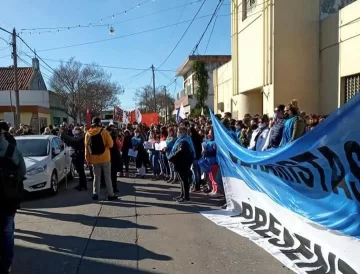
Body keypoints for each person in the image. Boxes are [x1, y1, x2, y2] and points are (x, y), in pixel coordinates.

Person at [0, 121, 26, 274]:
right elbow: (22, 172)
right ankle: (6, 266)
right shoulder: (12, 150)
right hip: (8, 199)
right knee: (7, 231)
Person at [85, 117, 117, 201]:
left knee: (96, 177)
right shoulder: (104, 131)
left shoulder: (88, 133)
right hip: (105, 157)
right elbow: (110, 145)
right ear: (99, 123)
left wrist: (88, 160)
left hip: (94, 159)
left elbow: (86, 148)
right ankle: (111, 194)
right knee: (107, 177)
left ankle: (95, 194)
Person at [168, 126, 196, 203]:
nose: (178, 133)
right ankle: (182, 195)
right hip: (182, 162)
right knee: (182, 180)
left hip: (183, 162)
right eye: (178, 131)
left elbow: (180, 152)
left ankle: (186, 197)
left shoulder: (184, 141)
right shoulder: (181, 140)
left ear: (184, 133)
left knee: (184, 180)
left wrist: (170, 157)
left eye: (179, 132)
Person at [61, 126, 87, 191]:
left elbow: (74, 140)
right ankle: (81, 184)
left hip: (79, 155)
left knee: (81, 171)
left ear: (79, 130)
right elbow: (71, 143)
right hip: (75, 155)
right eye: (73, 130)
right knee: (79, 171)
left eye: (75, 130)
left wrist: (64, 135)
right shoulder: (76, 136)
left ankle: (83, 185)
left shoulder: (81, 136)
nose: (74, 131)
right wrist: (64, 138)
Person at [107, 126, 121, 193]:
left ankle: (110, 188)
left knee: (108, 174)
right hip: (115, 157)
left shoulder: (105, 138)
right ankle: (114, 187)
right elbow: (120, 146)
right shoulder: (115, 138)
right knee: (114, 174)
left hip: (107, 157)